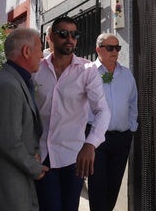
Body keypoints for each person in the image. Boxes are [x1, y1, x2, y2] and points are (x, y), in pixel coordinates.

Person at [34, 16, 110, 211]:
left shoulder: (87, 70)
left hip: (73, 157)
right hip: (41, 156)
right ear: (50, 37)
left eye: (74, 34)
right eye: (63, 34)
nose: (70, 38)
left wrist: (90, 143)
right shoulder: (36, 69)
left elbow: (102, 110)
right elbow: (26, 112)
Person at [0, 28, 49, 211]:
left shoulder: (16, 79)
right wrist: (34, 167)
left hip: (15, 178)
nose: (42, 54)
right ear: (26, 51)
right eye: (40, 48)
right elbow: (8, 140)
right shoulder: (9, 84)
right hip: (7, 185)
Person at [88, 33, 138, 211]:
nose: (114, 51)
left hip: (121, 138)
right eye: (110, 48)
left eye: (117, 48)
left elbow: (133, 102)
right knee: (97, 186)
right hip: (97, 139)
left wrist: (131, 127)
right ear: (98, 49)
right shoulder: (88, 72)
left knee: (114, 185)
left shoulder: (126, 74)